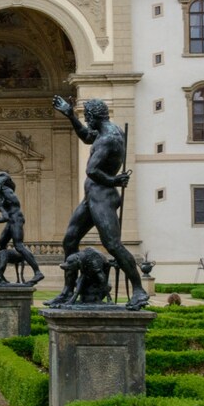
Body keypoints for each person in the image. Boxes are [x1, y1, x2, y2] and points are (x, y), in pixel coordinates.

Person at [52, 96, 147, 308]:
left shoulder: (108, 139)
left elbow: (92, 170)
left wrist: (113, 180)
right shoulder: (107, 132)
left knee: (112, 245)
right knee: (69, 240)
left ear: (94, 116)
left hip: (102, 198)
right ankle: (67, 291)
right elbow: (86, 137)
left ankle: (139, 290)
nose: (86, 121)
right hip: (91, 197)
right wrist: (70, 115)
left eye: (86, 117)